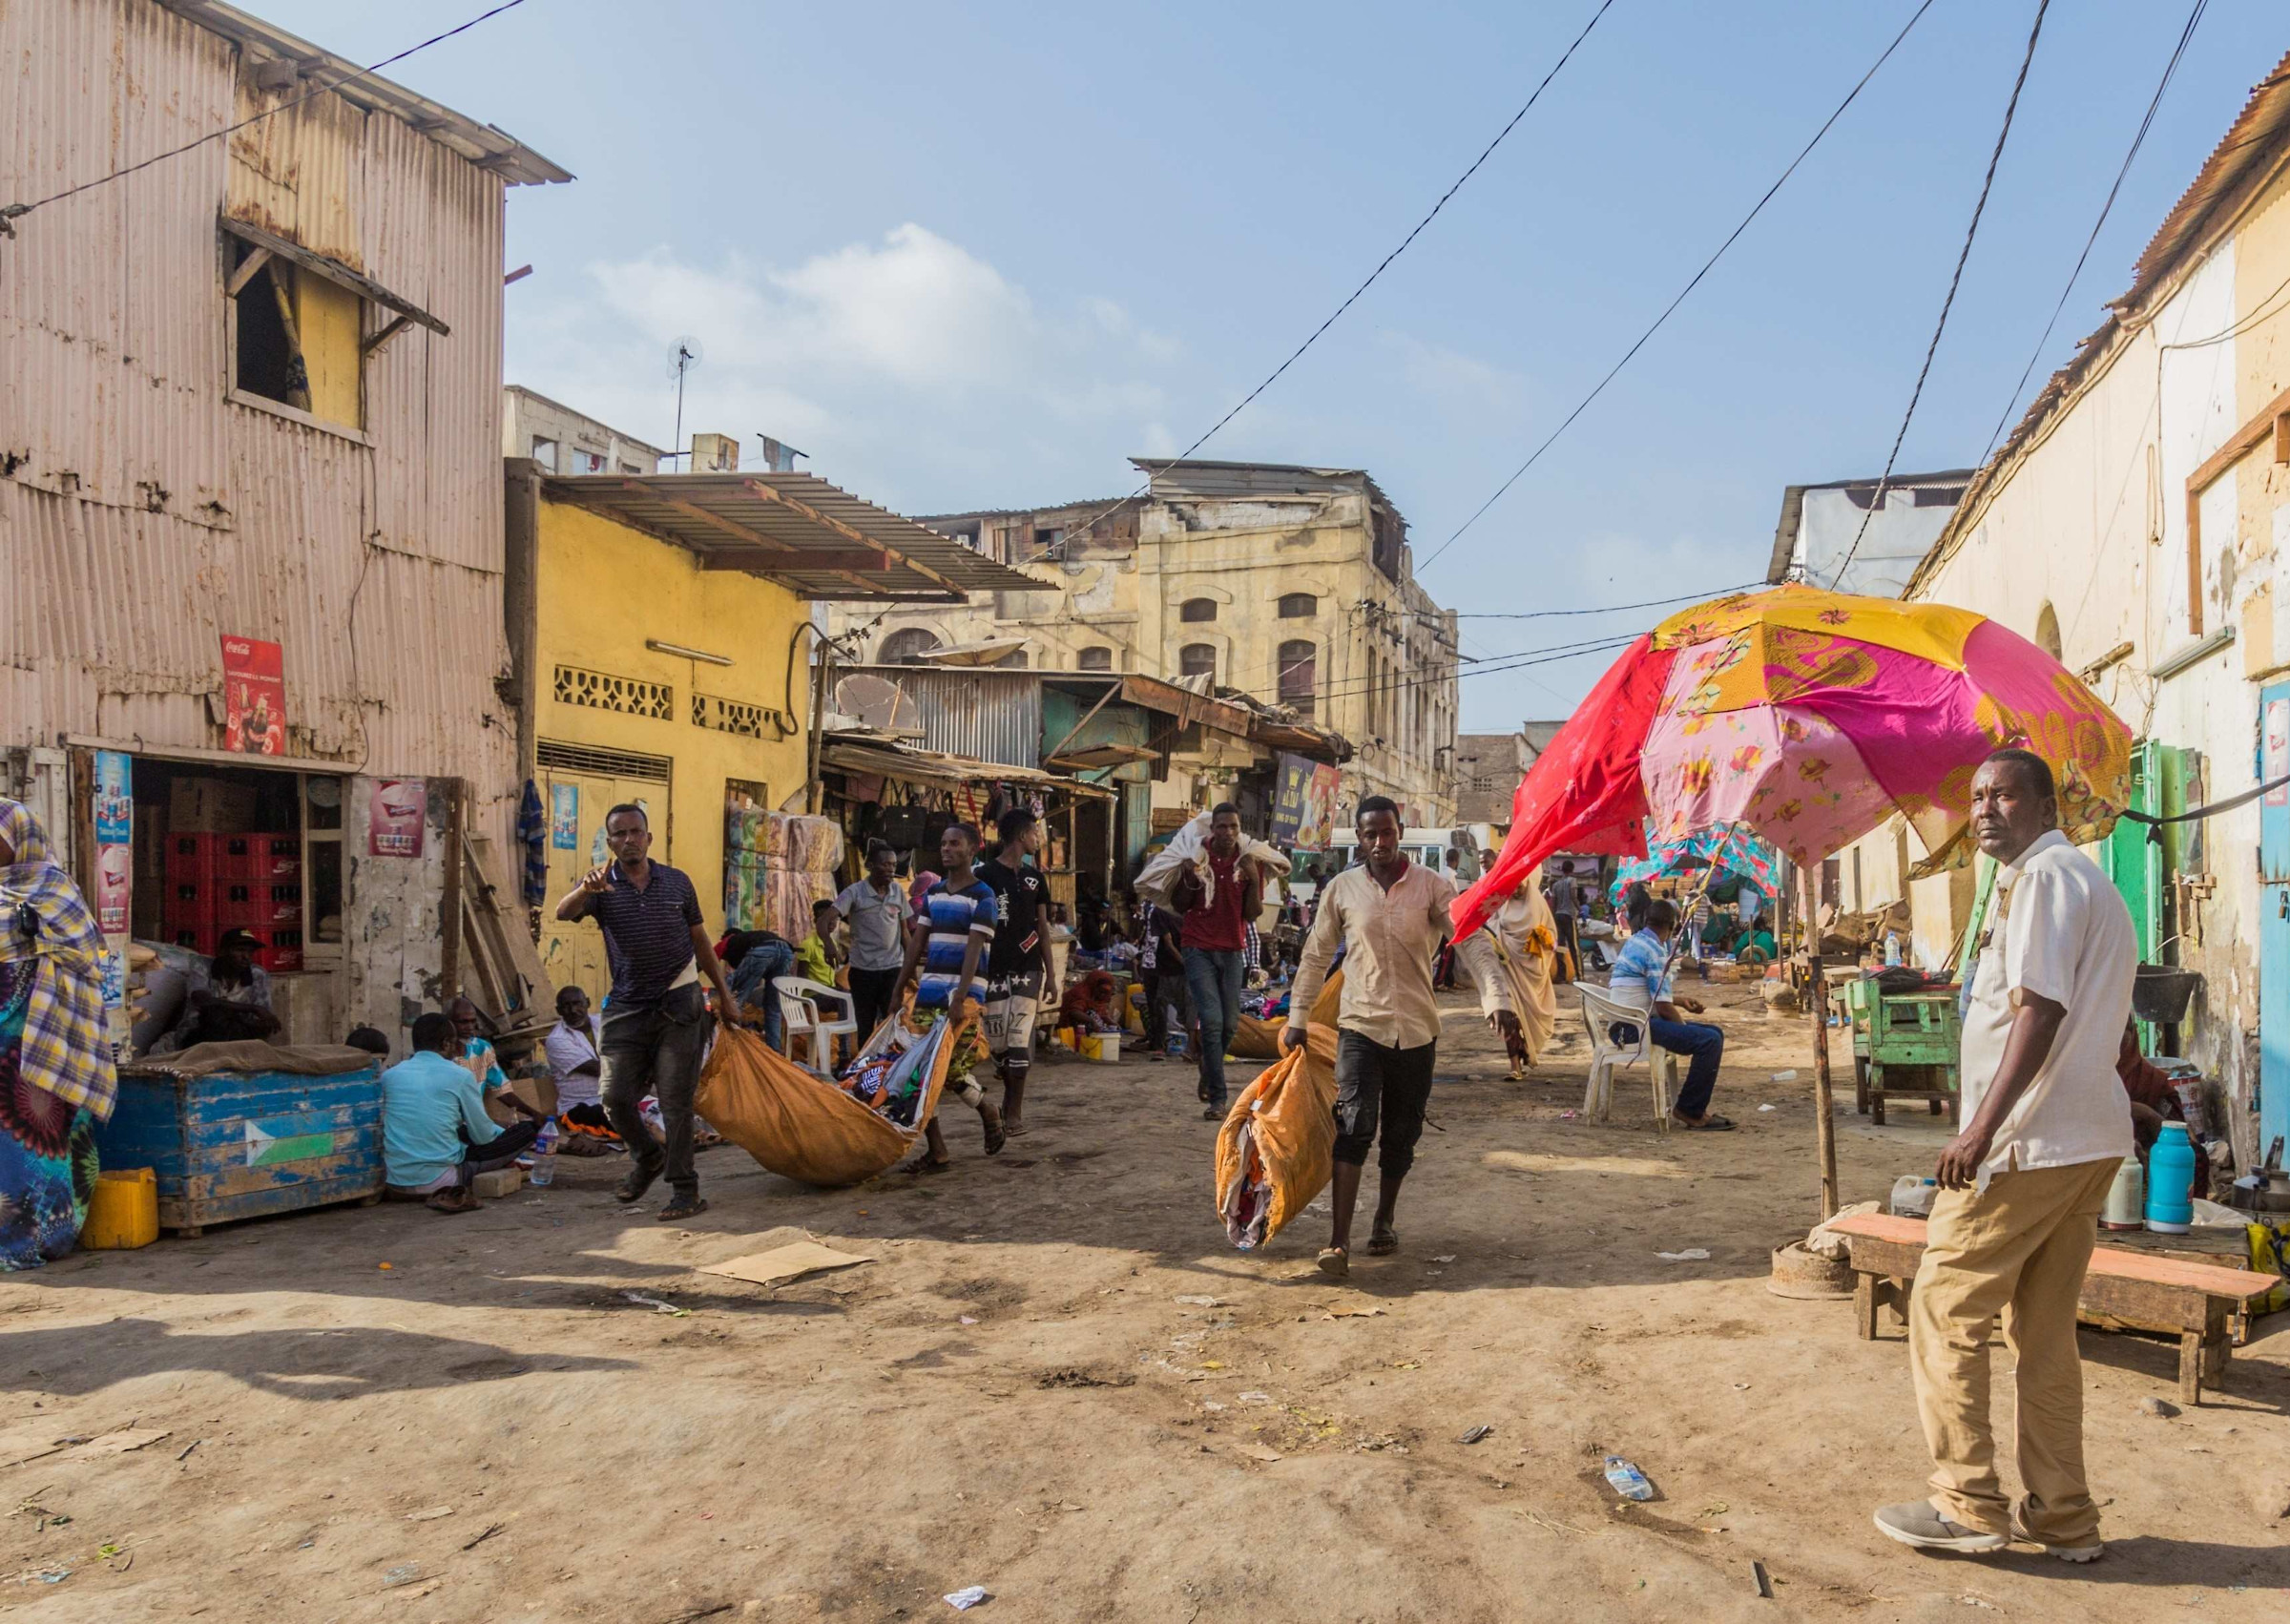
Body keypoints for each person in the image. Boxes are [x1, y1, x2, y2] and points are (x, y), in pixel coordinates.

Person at [1873, 748, 2135, 1563]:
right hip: (2080, 1140)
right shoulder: (2064, 881)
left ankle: (1968, 1505)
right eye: (1978, 796)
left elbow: (2043, 1010)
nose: (1986, 809)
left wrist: (1979, 1130)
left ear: (2045, 805)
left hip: (2031, 1145)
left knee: (1944, 1306)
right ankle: (2064, 1519)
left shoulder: (2049, 880)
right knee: (2045, 1334)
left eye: (2006, 795)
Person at [1283, 797, 1519, 1278]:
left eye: (1387, 832)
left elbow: (1471, 940)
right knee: (1353, 1126)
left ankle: (1385, 1219)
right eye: (1369, 834)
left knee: (1401, 1134)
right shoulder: (1342, 889)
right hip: (1360, 1026)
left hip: (1416, 1029)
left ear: (1400, 829)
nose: (1379, 843)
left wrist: (1496, 998)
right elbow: (1315, 955)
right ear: (1360, 835)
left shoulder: (1432, 887)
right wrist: (1298, 1015)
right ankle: (1338, 1242)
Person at [553, 802, 738, 1222]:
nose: (629, 840)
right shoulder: (601, 889)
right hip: (627, 1008)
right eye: (619, 834)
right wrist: (585, 888)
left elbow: (700, 940)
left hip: (679, 1004)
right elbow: (563, 912)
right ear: (610, 842)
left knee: (674, 1103)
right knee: (614, 1097)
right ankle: (647, 1156)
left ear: (649, 838)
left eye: (636, 832)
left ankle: (684, 1189)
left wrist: (724, 995)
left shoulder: (676, 883)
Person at [0, 799, 114, 1269]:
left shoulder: (52, 889)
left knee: (31, 1142)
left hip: (36, 1043)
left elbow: (87, 956)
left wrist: (38, 938)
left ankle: (34, 1239)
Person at [892, 822, 1007, 1169]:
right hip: (928, 992)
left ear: (973, 850)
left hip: (966, 996)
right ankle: (938, 1149)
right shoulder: (934, 893)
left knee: (950, 1069)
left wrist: (959, 997)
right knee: (923, 1073)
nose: (946, 849)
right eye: (943, 843)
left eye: (954, 843)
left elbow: (974, 948)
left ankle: (987, 1110)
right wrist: (900, 988)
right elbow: (916, 945)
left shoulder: (983, 896)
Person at [381, 1012, 541, 1213]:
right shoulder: (460, 1075)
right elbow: (482, 1137)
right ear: (447, 1044)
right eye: (455, 1043)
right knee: (527, 1129)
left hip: (394, 1180)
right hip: (438, 1180)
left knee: (459, 1132)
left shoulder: (390, 1075)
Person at [1171, 803, 1263, 1120]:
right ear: (1212, 829)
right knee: (1211, 1020)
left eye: (1233, 827)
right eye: (1222, 827)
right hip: (1198, 947)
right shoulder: (1198, 858)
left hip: (1233, 950)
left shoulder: (1248, 862)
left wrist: (1251, 881)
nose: (1228, 833)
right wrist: (1187, 878)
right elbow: (1179, 905)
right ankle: (1218, 1098)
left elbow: (1252, 914)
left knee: (1230, 1023)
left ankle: (1207, 1069)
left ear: (1239, 830)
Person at [1607, 900, 1732, 1131]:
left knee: (1715, 1033)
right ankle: (1689, 1110)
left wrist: (1680, 1002)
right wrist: (1683, 1029)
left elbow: (1649, 993)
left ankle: (1693, 1107)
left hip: (1629, 1023)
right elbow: (1663, 1009)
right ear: (1672, 926)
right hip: (1634, 1027)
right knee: (1709, 1041)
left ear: (1646, 921)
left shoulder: (1638, 941)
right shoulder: (1654, 951)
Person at [975, 806, 1051, 1136]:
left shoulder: (1037, 878)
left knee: (1020, 1041)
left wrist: (1050, 974)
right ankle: (1006, 1103)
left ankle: (1015, 1112)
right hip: (993, 969)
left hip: (1028, 968)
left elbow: (1043, 928)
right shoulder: (984, 876)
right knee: (999, 1045)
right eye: (1036, 832)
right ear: (1022, 836)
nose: (1039, 838)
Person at [832, 842, 913, 1041]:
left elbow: (905, 933)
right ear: (870, 865)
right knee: (866, 1027)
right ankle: (866, 1070)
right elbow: (826, 918)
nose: (890, 869)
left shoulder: (897, 893)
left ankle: (887, 1069)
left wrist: (911, 967)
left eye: (893, 865)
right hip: (863, 972)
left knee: (890, 1023)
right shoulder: (854, 892)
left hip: (892, 970)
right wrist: (828, 945)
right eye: (885, 864)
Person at [2115, 1022, 2207, 1198]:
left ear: (2133, 1033)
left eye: (2123, 1028)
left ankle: (2190, 1214)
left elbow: (2173, 1127)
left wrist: (2146, 1113)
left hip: (2151, 1152)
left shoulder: (2151, 1080)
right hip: (2101, 1150)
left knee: (2194, 1154)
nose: (2116, 1035)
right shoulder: (2088, 1074)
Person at [1487, 866, 1560, 1079]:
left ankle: (1525, 1049)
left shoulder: (1538, 905)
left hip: (1532, 974)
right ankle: (1514, 1066)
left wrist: (1543, 938)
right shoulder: (1501, 906)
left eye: (1520, 885)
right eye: (1513, 886)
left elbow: (1553, 939)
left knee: (1524, 1019)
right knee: (1507, 1015)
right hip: (1507, 970)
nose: (1516, 890)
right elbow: (1490, 932)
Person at [721, 927, 796, 1048]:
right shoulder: (751, 938)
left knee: (734, 1001)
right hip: (787, 951)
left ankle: (731, 1047)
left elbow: (705, 959)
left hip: (764, 951)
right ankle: (774, 1050)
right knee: (773, 1005)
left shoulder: (727, 941)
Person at [1140, 904, 1187, 1063]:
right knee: (1159, 1006)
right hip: (1162, 967)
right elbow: (1167, 943)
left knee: (1169, 1007)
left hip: (1174, 967)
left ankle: (1162, 1044)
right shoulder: (1160, 911)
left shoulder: (1189, 911)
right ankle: (1158, 1045)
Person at [795, 899, 843, 988]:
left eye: (834, 918)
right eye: (825, 919)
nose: (832, 922)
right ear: (816, 921)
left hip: (830, 991)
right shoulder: (808, 945)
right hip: (814, 994)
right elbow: (801, 978)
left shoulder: (832, 944)